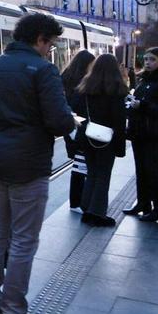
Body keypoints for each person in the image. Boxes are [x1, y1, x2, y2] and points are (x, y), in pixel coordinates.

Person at [0, 13, 75, 314]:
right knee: (24, 240)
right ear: (40, 39)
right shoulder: (43, 71)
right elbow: (58, 121)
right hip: (29, 167)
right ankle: (15, 309)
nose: (49, 51)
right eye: (50, 45)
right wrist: (70, 120)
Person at [69, 54, 128, 227]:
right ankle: (97, 213)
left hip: (88, 136)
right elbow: (119, 119)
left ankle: (87, 208)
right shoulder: (117, 89)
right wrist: (120, 144)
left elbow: (75, 109)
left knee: (92, 173)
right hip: (107, 138)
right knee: (103, 175)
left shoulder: (86, 87)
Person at [123, 47, 158, 223]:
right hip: (139, 131)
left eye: (152, 59)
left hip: (153, 131)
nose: (147, 62)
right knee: (141, 169)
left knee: (152, 169)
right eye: (146, 59)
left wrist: (143, 105)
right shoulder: (144, 79)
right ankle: (143, 203)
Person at [61, 50, 96, 214]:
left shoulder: (65, 77)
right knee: (81, 165)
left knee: (78, 163)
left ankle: (77, 201)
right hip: (82, 126)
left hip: (71, 126)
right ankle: (77, 202)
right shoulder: (85, 82)